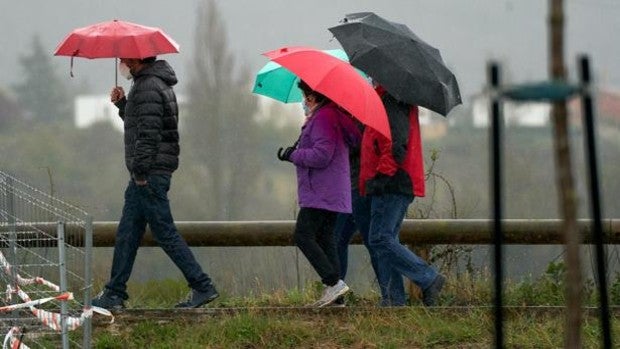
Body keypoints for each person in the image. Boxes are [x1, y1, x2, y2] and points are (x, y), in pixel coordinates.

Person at [92, 56, 218, 310]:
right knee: (128, 233)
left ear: (136, 60)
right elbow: (141, 122)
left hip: (147, 174)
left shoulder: (148, 86)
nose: (122, 63)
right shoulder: (152, 83)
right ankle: (114, 292)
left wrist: (139, 173)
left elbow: (148, 135)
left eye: (125, 59)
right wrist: (123, 104)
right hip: (149, 173)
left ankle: (202, 285)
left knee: (164, 232)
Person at [359, 83, 445, 307]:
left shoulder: (392, 99)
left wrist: (381, 177)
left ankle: (428, 279)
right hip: (393, 181)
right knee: (384, 239)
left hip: (391, 182)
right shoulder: (392, 97)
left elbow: (396, 145)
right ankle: (394, 300)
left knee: (380, 238)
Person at [277, 80, 357, 307]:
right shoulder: (331, 116)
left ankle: (333, 283)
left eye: (304, 96)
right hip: (332, 191)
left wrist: (294, 155)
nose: (303, 101)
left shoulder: (324, 118)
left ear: (312, 96)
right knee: (325, 239)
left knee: (303, 235)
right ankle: (337, 298)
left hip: (321, 191)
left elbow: (321, 155)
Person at [334, 122, 407, 307]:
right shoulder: (342, 112)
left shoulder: (361, 114)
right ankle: (337, 293)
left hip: (361, 187)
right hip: (349, 186)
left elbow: (363, 145)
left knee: (375, 241)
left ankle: (392, 297)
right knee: (339, 240)